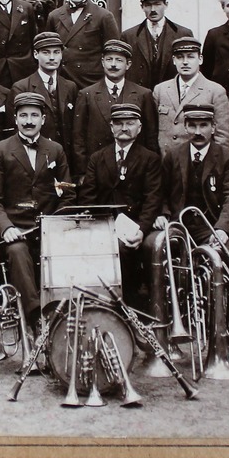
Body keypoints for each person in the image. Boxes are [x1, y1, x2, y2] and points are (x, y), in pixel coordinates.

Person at [0, 91, 75, 326]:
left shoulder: (56, 150)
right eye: (23, 115)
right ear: (15, 119)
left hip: (49, 228)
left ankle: (66, 314)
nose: (29, 121)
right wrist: (5, 229)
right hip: (17, 230)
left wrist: (57, 224)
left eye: (35, 115)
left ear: (43, 119)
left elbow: (68, 194)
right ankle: (37, 317)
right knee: (16, 251)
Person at [78, 103, 164, 306]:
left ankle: (132, 303)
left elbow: (153, 198)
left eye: (130, 123)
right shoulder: (97, 158)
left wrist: (142, 230)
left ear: (139, 128)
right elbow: (88, 196)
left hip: (136, 223)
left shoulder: (150, 159)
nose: (124, 128)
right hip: (104, 223)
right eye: (119, 123)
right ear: (111, 127)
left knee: (125, 248)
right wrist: (96, 227)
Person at [154, 104, 229, 249]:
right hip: (178, 224)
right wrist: (163, 214)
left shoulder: (228, 157)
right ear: (185, 127)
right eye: (192, 126)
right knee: (153, 246)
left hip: (210, 226)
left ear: (213, 127)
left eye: (203, 126)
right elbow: (161, 191)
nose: (198, 132)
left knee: (224, 251)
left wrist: (222, 229)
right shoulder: (173, 155)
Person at [72, 37, 157, 176]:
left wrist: (149, 169)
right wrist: (83, 172)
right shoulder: (87, 94)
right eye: (109, 59)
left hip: (135, 168)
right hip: (98, 168)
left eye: (119, 60)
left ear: (128, 64)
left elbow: (151, 136)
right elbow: (78, 138)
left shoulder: (143, 94)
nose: (113, 65)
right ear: (102, 62)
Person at [46, 0, 121, 87]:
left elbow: (112, 54)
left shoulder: (103, 16)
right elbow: (48, 51)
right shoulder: (55, 16)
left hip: (92, 83)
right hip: (63, 83)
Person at [153, 36, 229, 151]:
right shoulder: (160, 90)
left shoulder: (215, 91)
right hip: (165, 162)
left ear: (200, 59)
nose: (185, 62)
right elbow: (153, 131)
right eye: (180, 57)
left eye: (190, 57)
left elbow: (222, 137)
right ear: (174, 60)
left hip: (197, 162)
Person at [11, 31, 77, 153]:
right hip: (35, 152)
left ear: (62, 54)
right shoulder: (22, 87)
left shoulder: (70, 86)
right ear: (36, 54)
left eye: (56, 52)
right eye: (46, 53)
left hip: (66, 154)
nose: (52, 57)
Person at [123, 0, 192, 89]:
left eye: (157, 4)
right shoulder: (129, 36)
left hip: (171, 94)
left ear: (166, 5)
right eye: (148, 5)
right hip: (140, 96)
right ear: (142, 7)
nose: (153, 10)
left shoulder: (182, 34)